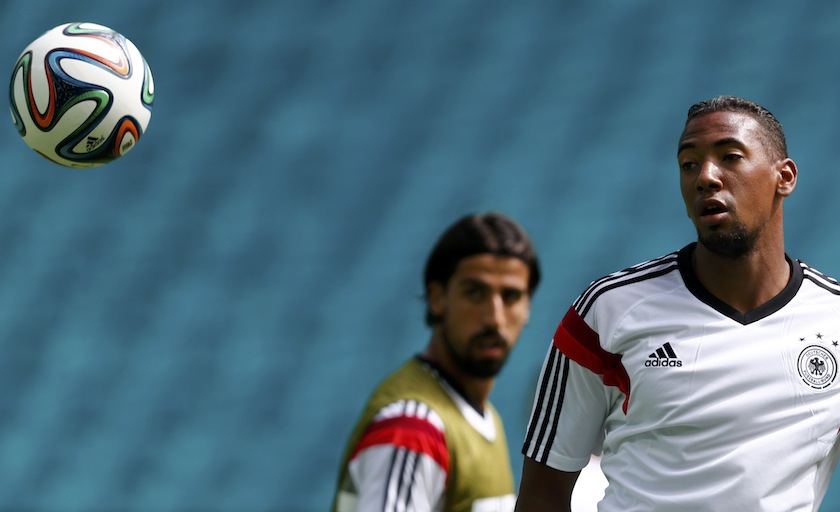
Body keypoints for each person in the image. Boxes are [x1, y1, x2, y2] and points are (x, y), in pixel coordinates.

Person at [515, 96, 840, 511]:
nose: (705, 177)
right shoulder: (607, 311)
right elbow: (542, 494)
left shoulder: (833, 319)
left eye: (730, 157)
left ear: (785, 177)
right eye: (688, 164)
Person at [333, 212, 541, 512]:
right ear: (437, 298)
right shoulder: (412, 430)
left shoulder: (483, 418)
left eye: (510, 296)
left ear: (527, 307)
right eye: (475, 293)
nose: (494, 318)